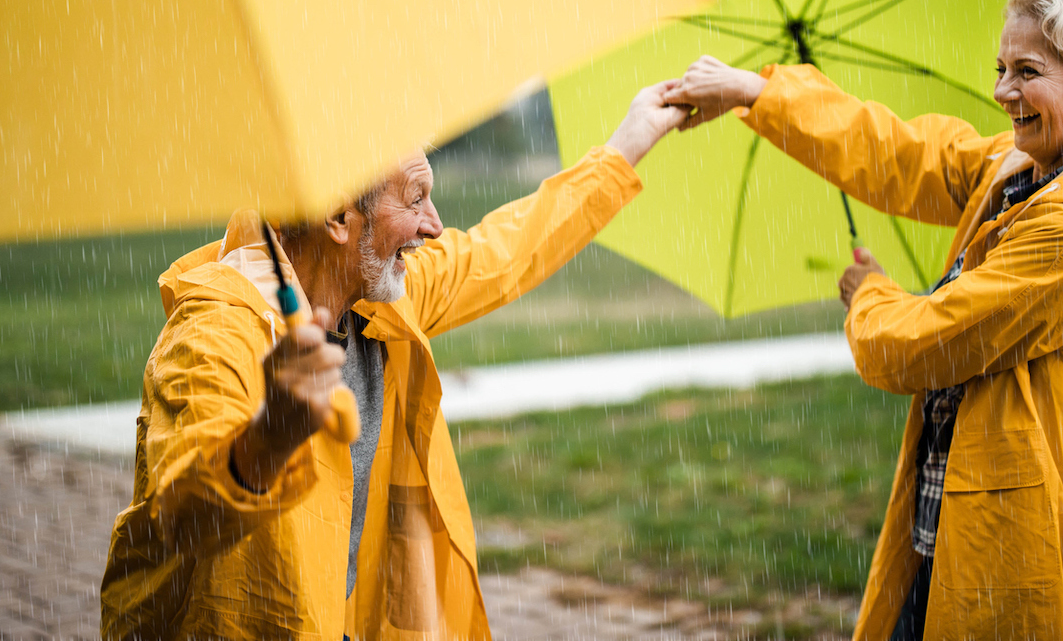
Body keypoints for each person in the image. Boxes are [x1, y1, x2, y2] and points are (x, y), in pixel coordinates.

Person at [666, 0, 1063, 640]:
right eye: (1001, 69)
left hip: (1024, 555)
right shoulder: (1032, 170)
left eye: (1027, 72)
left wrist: (870, 297)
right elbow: (902, 155)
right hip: (960, 526)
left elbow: (925, 346)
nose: (1003, 92)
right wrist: (761, 93)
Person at [100, 82, 687, 640]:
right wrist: (269, 436)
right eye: (415, 201)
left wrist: (628, 144)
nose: (434, 226)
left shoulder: (376, 302)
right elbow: (179, 518)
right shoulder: (212, 334)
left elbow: (505, 251)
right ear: (337, 218)